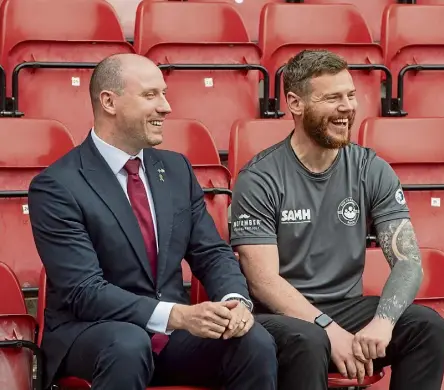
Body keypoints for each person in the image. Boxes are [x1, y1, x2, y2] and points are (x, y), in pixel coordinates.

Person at [28, 53, 278, 390]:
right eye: (151, 95)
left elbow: (212, 253)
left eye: (164, 94)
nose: (166, 107)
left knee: (253, 341)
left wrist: (235, 301)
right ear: (109, 102)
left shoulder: (175, 169)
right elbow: (83, 292)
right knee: (129, 345)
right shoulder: (57, 186)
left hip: (169, 336)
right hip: (92, 330)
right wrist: (178, 315)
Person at [230, 49, 444, 390]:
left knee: (427, 327)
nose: (348, 107)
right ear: (295, 103)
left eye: (350, 95)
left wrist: (383, 322)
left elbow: (409, 263)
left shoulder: (369, 168)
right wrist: (329, 330)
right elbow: (264, 283)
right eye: (333, 97)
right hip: (278, 316)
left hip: (346, 307)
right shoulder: (260, 178)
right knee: (310, 340)